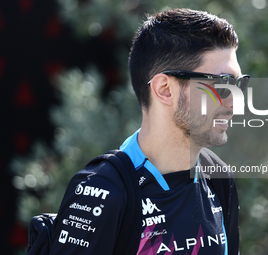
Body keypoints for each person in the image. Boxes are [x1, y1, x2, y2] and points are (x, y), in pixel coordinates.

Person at [49, 8, 249, 255]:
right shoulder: (102, 192)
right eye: (223, 84)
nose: (235, 101)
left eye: (240, 84)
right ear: (165, 89)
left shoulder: (218, 178)